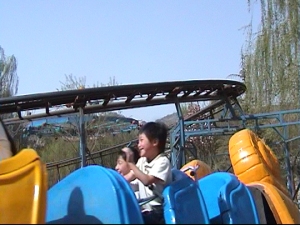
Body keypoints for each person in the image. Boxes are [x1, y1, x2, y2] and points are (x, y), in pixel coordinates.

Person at [126, 121, 172, 224]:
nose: (139, 145)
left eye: (141, 140)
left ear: (155, 142)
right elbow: (130, 176)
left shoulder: (162, 162)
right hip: (145, 208)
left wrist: (131, 165)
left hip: (158, 211)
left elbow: (147, 180)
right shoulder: (142, 161)